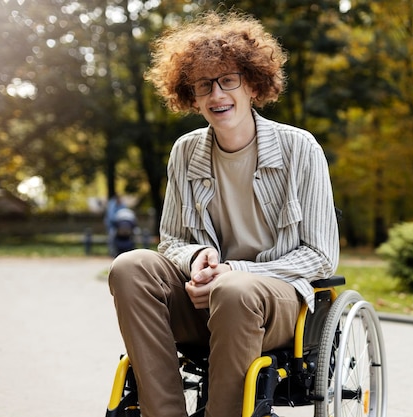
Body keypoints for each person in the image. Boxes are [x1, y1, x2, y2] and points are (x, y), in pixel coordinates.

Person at [108, 10, 339, 417]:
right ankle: (163, 412)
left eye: (228, 80)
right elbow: (172, 240)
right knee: (129, 267)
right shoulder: (186, 151)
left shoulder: (300, 149)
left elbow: (321, 256)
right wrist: (197, 258)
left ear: (252, 84)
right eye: (203, 85)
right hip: (202, 298)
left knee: (233, 291)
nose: (217, 95)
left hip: (276, 303)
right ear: (191, 96)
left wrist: (233, 271)